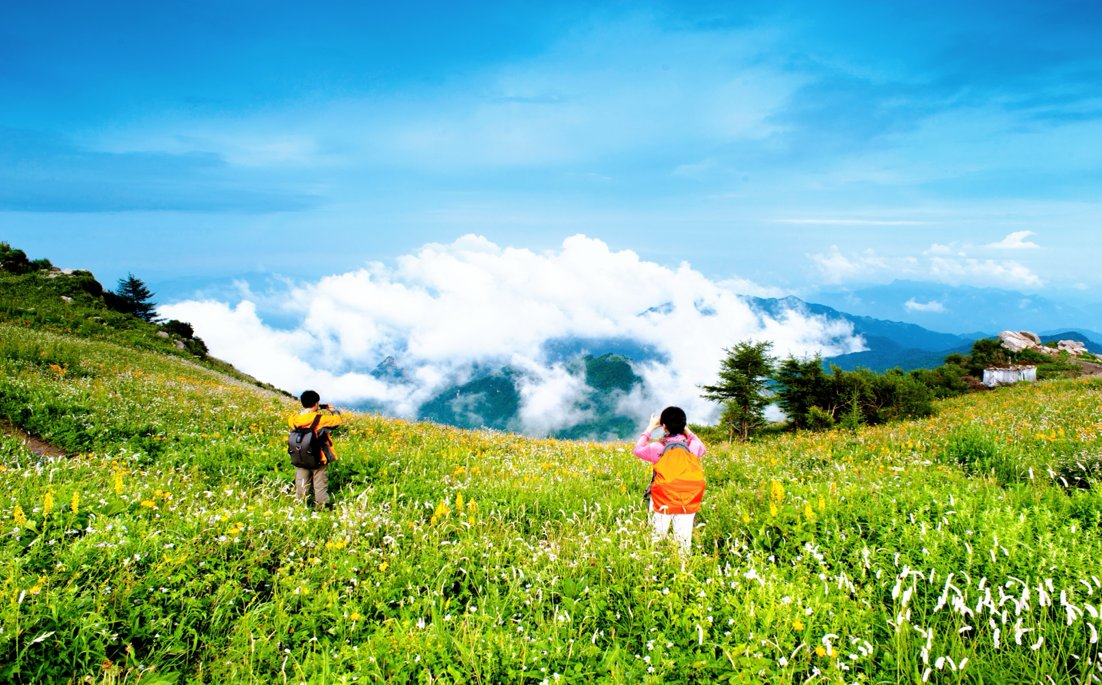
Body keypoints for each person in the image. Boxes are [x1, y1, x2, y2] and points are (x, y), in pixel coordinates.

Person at [633, 406, 706, 554]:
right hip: (688, 497)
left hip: (663, 498)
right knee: (683, 541)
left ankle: (654, 566)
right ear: (683, 425)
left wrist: (650, 427)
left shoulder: (657, 448)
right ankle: (682, 569)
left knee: (657, 539)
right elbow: (702, 448)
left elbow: (637, 450)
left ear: (663, 426)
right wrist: (686, 430)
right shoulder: (693, 446)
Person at [288, 390, 342, 508]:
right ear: (316, 403)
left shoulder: (294, 419)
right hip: (318, 457)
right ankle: (322, 508)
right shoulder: (320, 419)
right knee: (320, 484)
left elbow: (301, 420)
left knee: (301, 484)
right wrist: (333, 411)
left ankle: (300, 506)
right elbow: (337, 421)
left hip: (300, 456)